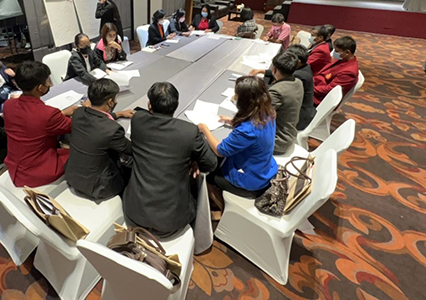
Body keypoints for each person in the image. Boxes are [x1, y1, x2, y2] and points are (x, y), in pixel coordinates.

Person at [123, 82, 217, 237]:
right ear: (177, 104)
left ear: (149, 104)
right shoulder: (189, 131)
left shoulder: (137, 119)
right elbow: (211, 164)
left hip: (134, 213)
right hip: (171, 222)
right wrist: (192, 159)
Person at [198, 76, 277, 199]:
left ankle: (218, 206)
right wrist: (232, 121)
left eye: (236, 95)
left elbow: (220, 150)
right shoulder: (267, 112)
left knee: (208, 176)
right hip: (265, 167)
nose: (234, 97)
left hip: (252, 180)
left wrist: (205, 129)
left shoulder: (246, 131)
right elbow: (254, 129)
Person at [3, 61, 77, 187]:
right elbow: (75, 126)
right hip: (38, 170)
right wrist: (88, 109)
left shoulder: (8, 105)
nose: (50, 84)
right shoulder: (48, 114)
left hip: (15, 165)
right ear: (40, 88)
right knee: (83, 155)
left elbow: (32, 122)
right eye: (48, 81)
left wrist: (62, 113)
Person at [66, 79, 135, 201]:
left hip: (73, 177)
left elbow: (95, 117)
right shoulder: (112, 129)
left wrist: (118, 114)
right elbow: (131, 149)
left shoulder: (78, 113)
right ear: (110, 102)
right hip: (98, 187)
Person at [267, 52, 303, 154]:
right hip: (289, 134)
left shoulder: (277, 91)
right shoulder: (298, 82)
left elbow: (258, 115)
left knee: (239, 138)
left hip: (277, 141)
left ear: (274, 69)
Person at [313, 36, 360, 105]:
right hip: (316, 86)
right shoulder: (343, 59)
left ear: (347, 52)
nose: (334, 52)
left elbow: (329, 90)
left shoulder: (349, 72)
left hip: (319, 98)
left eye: (337, 51)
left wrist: (309, 88)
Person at [285, 45, 316, 131]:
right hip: (305, 108)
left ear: (298, 61)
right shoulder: (305, 66)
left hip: (298, 116)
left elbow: (284, 94)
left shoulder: (298, 75)